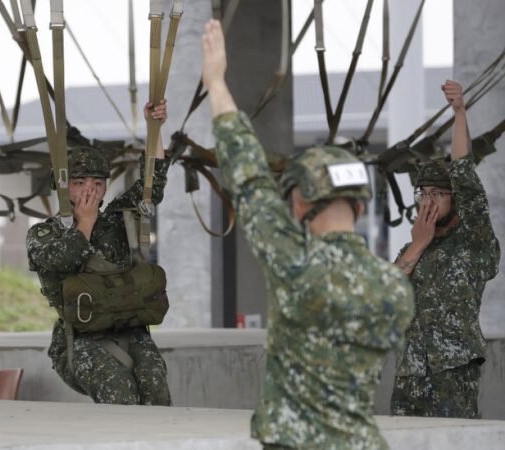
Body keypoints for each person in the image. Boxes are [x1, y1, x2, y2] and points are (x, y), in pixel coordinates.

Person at [201, 20, 414, 449]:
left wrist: (216, 83)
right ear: (359, 206)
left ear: (298, 204)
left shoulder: (295, 262)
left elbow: (249, 178)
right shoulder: (394, 287)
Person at [26, 100, 172, 405]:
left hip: (132, 332)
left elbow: (152, 183)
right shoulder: (43, 234)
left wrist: (154, 128)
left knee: (155, 389)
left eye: (97, 183)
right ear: (63, 188)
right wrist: (86, 223)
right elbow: (62, 261)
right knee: (119, 392)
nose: (89, 191)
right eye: (79, 184)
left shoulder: (119, 218)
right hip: (79, 341)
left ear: (106, 188)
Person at [390, 80, 500, 418]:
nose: (429, 201)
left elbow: (465, 175)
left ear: (455, 200)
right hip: (410, 374)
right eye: (423, 194)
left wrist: (459, 113)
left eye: (438, 193)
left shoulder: (474, 242)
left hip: (452, 372)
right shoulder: (413, 247)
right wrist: (419, 245)